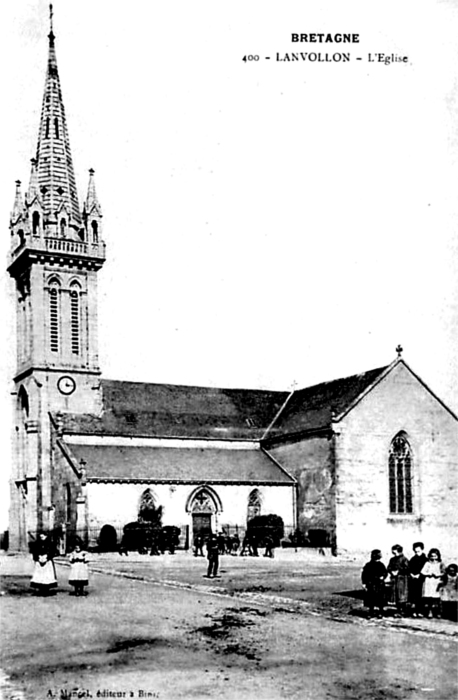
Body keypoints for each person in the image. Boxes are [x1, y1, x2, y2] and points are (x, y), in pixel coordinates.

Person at [361, 549, 387, 618]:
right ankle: (371, 612)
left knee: (380, 599)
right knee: (371, 599)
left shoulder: (381, 565)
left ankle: (380, 612)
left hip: (379, 584)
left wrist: (383, 577)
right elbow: (364, 574)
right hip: (371, 584)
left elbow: (385, 573)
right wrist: (364, 583)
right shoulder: (368, 565)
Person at [387, 544, 410, 617]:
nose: (393, 552)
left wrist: (399, 571)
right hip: (394, 580)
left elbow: (407, 568)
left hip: (402, 580)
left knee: (402, 595)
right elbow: (388, 568)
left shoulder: (404, 559)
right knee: (395, 595)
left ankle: (403, 611)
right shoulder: (392, 559)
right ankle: (398, 610)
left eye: (395, 551)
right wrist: (391, 572)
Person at [421, 548, 445, 618]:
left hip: (436, 582)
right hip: (428, 581)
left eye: (435, 556)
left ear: (438, 556)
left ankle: (437, 612)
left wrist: (438, 574)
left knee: (436, 598)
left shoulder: (440, 564)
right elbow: (422, 572)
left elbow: (444, 573)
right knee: (428, 598)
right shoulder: (427, 563)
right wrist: (428, 573)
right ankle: (429, 612)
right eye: (432, 556)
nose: (433, 558)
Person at [408, 541, 427, 617]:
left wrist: (420, 575)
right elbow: (409, 568)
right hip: (413, 579)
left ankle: (420, 611)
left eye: (418, 551)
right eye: (415, 551)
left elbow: (426, 569)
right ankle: (414, 611)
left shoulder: (425, 559)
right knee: (414, 596)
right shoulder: (412, 559)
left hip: (422, 579)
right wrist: (411, 574)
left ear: (422, 549)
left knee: (421, 596)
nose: (417, 553)